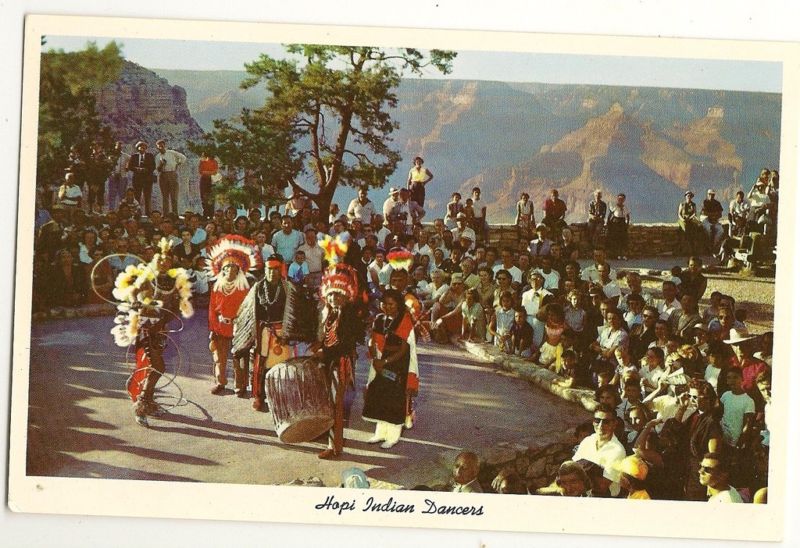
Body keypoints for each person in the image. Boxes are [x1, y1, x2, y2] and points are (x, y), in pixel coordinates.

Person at [110, 238, 194, 427]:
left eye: (168, 260)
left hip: (161, 328)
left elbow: (177, 303)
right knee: (157, 366)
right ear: (157, 259)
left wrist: (174, 312)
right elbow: (133, 291)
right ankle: (142, 404)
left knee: (153, 367)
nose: (165, 262)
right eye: (162, 259)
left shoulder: (173, 280)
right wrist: (136, 302)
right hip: (146, 327)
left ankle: (148, 400)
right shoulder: (149, 277)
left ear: (172, 262)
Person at [315, 251, 364, 459]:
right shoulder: (328, 313)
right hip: (328, 361)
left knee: (337, 403)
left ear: (346, 295)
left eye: (338, 294)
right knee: (328, 401)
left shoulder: (350, 315)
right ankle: (332, 437)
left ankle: (334, 446)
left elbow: (346, 343)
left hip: (340, 363)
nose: (334, 298)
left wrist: (324, 352)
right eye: (331, 294)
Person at [233, 254, 296, 412]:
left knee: (283, 366)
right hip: (263, 332)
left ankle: (281, 397)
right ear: (265, 269)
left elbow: (296, 313)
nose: (272, 273)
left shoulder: (288, 287)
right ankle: (258, 396)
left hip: (282, 332)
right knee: (260, 365)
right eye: (269, 269)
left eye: (276, 269)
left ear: (280, 269)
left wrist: (288, 334)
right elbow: (247, 311)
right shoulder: (258, 287)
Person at [363, 288, 418, 450]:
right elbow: (373, 340)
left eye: (391, 304)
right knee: (380, 396)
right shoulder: (379, 319)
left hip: (396, 364)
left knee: (393, 399)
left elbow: (403, 349)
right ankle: (380, 432)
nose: (387, 307)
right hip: (380, 362)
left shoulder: (404, 320)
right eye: (384, 304)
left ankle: (393, 436)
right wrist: (374, 354)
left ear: (398, 305)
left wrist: (385, 361)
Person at [206, 236, 260, 396]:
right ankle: (220, 382)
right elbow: (212, 310)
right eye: (227, 267)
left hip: (239, 327)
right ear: (222, 269)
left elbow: (250, 309)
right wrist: (213, 327)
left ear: (238, 270)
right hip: (221, 326)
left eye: (233, 267)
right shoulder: (217, 286)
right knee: (219, 357)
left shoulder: (244, 287)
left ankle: (240, 386)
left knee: (239, 358)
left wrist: (247, 327)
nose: (230, 270)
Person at [572, 404, 627, 489]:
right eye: (597, 420)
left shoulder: (617, 450)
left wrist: (585, 467)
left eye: (606, 422)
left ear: (614, 423)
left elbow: (603, 486)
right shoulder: (587, 441)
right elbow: (571, 468)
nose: (601, 426)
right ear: (593, 422)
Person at [126, 141, 156, 216]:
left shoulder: (150, 156)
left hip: (147, 179)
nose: (142, 148)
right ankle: (137, 213)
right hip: (137, 179)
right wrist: (136, 169)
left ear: (146, 148)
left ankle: (148, 213)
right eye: (140, 146)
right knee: (137, 196)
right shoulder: (134, 156)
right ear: (137, 148)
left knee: (147, 196)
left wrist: (146, 169)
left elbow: (153, 166)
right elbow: (130, 166)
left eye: (144, 147)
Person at [606, 193, 631, 260]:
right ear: (617, 199)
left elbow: (628, 216)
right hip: (615, 223)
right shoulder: (614, 207)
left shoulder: (625, 207)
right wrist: (608, 223)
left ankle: (622, 254)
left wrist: (627, 224)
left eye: (622, 199)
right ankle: (615, 255)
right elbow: (610, 215)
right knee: (615, 239)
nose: (620, 200)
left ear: (624, 200)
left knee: (623, 239)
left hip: (622, 223)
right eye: (619, 199)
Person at [198, 151, 219, 219]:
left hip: (212, 180)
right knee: (204, 197)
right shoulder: (202, 161)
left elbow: (215, 172)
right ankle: (205, 213)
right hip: (204, 180)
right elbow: (201, 171)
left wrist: (207, 172)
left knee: (211, 198)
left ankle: (211, 214)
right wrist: (210, 172)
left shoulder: (214, 162)